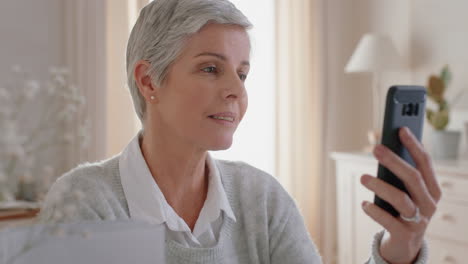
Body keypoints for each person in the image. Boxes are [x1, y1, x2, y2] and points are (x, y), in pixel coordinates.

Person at [38, 0, 441, 263]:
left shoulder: (261, 198)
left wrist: (397, 252)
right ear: (148, 81)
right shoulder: (86, 202)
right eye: (211, 68)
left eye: (242, 73)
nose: (236, 90)